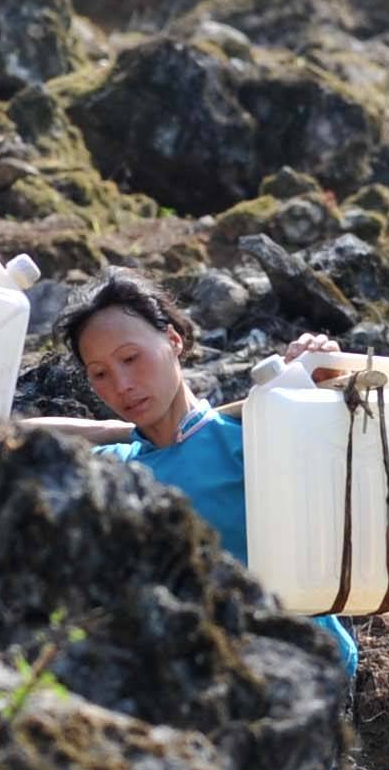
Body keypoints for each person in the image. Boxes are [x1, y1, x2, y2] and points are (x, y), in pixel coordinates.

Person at [51, 275, 358, 672]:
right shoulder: (116, 467)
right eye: (100, 373)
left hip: (302, 673)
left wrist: (324, 374)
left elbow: (353, 456)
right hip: (189, 684)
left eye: (130, 358)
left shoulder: (251, 437)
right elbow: (14, 431)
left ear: (174, 340)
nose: (122, 386)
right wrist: (126, 430)